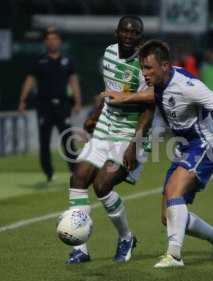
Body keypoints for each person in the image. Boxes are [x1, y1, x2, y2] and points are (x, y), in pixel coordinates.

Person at [103, 40, 213, 268]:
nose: (144, 73)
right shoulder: (160, 81)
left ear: (165, 66)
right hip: (185, 148)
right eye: (142, 68)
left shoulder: (188, 85)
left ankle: (174, 255)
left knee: (174, 192)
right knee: (169, 218)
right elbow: (153, 95)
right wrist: (125, 97)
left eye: (149, 68)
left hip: (206, 145)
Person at [65, 16, 154, 264]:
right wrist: (94, 115)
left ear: (140, 37)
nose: (128, 36)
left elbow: (150, 106)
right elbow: (108, 90)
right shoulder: (108, 53)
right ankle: (80, 247)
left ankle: (126, 237)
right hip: (105, 128)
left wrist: (135, 144)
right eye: (124, 31)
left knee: (102, 185)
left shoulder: (144, 65)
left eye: (134, 32)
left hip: (129, 134)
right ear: (116, 32)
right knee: (78, 177)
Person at [18, 27, 82, 182]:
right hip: (44, 106)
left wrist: (78, 101)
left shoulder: (68, 60)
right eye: (49, 39)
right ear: (45, 42)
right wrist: (22, 100)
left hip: (63, 105)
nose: (52, 41)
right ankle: (49, 173)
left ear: (59, 41)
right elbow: (29, 81)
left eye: (55, 38)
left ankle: (75, 171)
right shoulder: (39, 61)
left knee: (67, 138)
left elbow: (73, 82)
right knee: (44, 141)